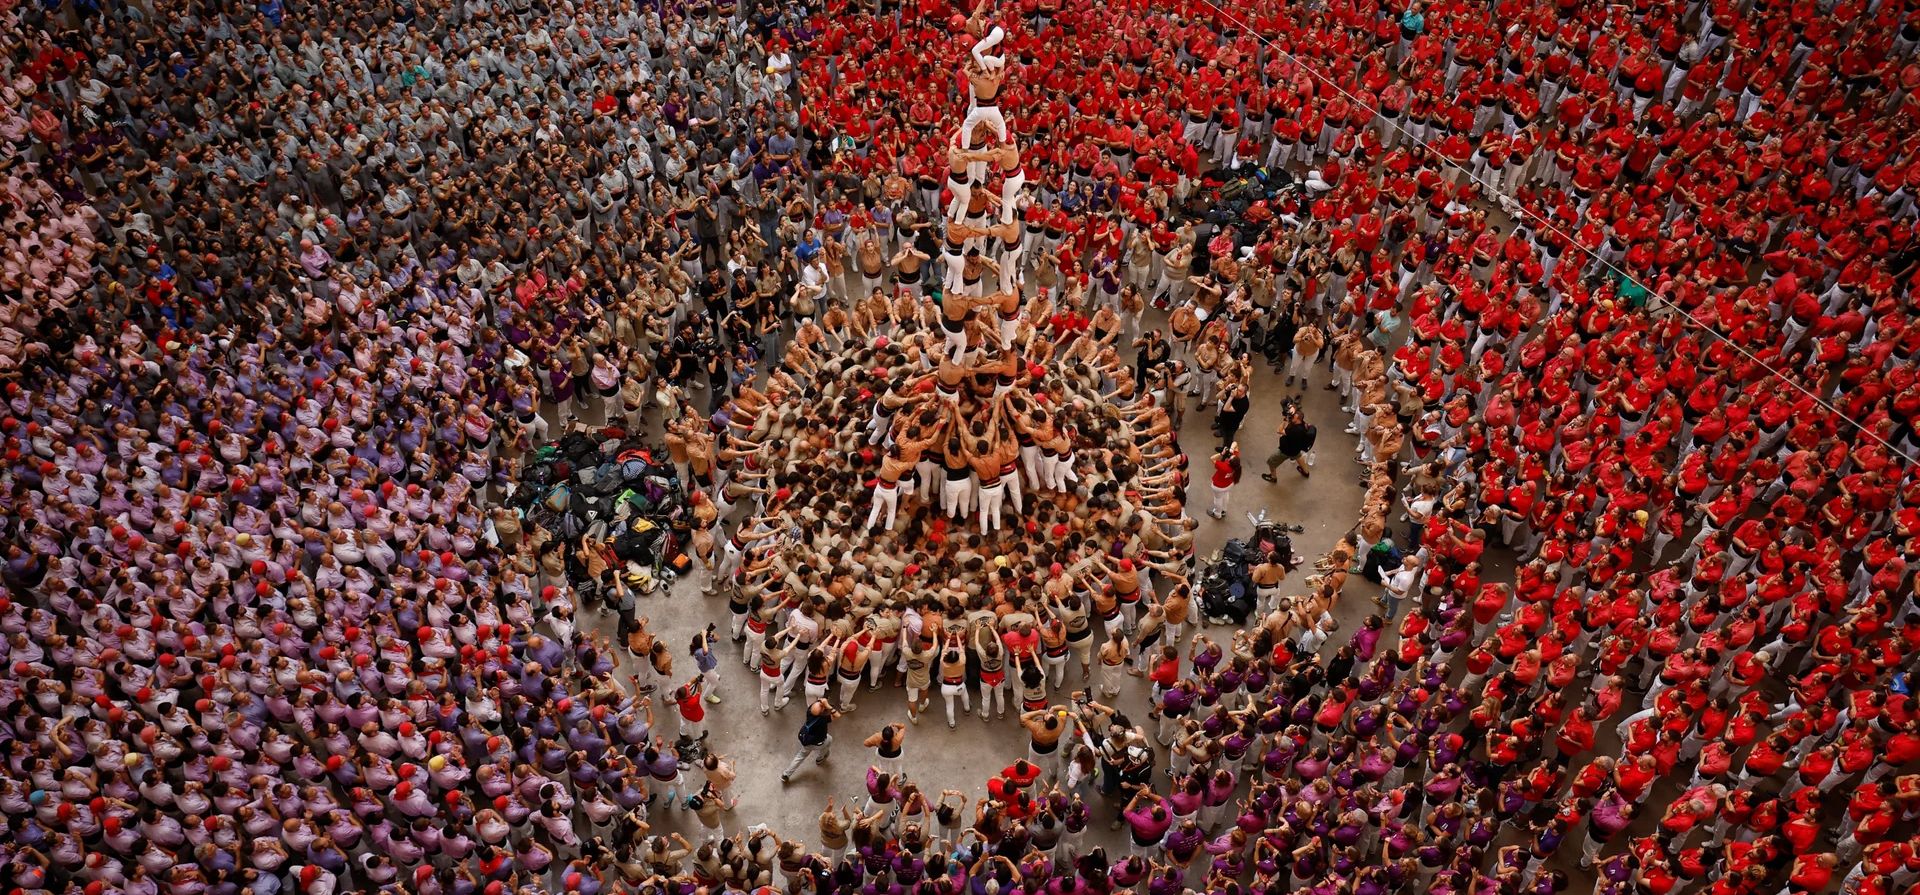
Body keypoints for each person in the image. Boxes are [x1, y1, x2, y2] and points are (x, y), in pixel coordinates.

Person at [782, 699, 842, 784]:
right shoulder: (822, 720)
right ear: (821, 712)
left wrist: (821, 703)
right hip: (818, 743)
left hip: (807, 741)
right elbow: (837, 715)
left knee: (800, 756)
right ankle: (820, 758)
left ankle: (786, 774)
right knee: (829, 740)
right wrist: (828, 706)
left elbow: (816, 706)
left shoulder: (809, 711)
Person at [1207, 443, 1241, 520]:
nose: (1230, 456)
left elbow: (1212, 458)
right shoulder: (1236, 463)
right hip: (1229, 484)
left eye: (1230, 458)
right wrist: (1231, 449)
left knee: (1217, 499)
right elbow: (1235, 443)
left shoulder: (1224, 467)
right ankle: (1224, 510)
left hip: (1218, 486)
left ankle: (1217, 514)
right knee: (1225, 495)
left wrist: (1221, 453)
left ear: (1229, 462)